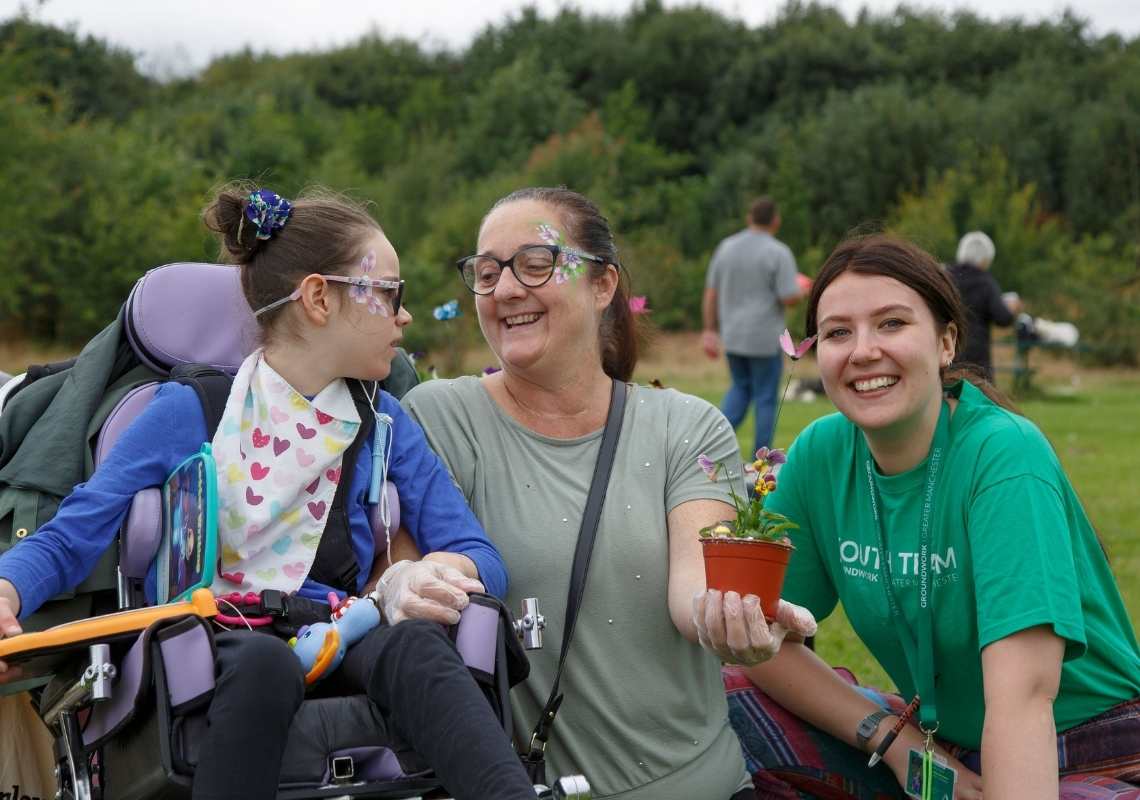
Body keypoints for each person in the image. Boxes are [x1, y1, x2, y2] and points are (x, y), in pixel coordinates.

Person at [0, 186, 539, 800]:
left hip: (338, 630)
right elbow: (74, 534)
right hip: (213, 639)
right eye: (390, 293)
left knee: (416, 644)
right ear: (318, 298)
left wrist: (423, 574)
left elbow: (483, 558)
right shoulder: (189, 411)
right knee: (265, 663)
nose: (405, 316)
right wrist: (6, 588)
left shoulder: (384, 421)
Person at [403, 186, 818, 800]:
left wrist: (735, 619)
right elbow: (406, 579)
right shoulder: (439, 419)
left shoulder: (686, 427)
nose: (506, 288)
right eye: (486, 273)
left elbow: (693, 591)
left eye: (536, 263)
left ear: (603, 285)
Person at [726, 234, 1140, 799]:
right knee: (729, 698)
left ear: (946, 342)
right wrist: (896, 745)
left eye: (892, 324)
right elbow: (760, 641)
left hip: (1080, 742)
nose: (863, 351)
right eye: (838, 332)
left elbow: (1022, 704)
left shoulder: (1003, 457)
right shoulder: (821, 453)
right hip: (934, 739)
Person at [702, 197, 803, 455]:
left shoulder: (725, 247)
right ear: (776, 221)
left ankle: (710, 445)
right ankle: (762, 460)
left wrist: (709, 330)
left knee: (739, 389)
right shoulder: (778, 252)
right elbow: (788, 297)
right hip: (764, 338)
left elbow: (711, 292)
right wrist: (803, 288)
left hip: (733, 336)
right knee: (766, 397)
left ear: (749, 218)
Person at [946, 230, 1023, 382]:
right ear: (985, 259)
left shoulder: (946, 277)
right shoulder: (985, 282)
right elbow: (1003, 318)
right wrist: (1012, 309)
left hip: (949, 350)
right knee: (981, 398)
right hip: (977, 356)